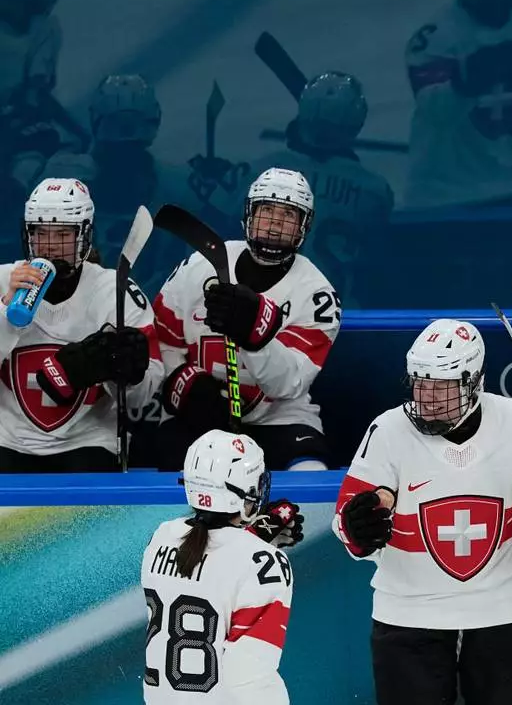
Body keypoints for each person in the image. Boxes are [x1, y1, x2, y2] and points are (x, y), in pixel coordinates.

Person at [332, 318, 512, 705]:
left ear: (474, 382)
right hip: (410, 614)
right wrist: (357, 527)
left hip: (505, 611)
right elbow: (347, 517)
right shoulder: (387, 431)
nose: (427, 396)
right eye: (420, 382)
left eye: (441, 385)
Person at [152, 167, 340, 472]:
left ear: (304, 226)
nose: (275, 226)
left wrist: (256, 337)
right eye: (266, 211)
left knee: (310, 476)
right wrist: (183, 383)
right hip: (198, 415)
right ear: (248, 215)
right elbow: (161, 341)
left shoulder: (317, 295)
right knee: (176, 475)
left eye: (289, 216)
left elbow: (288, 385)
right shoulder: (197, 266)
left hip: (280, 419)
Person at [0, 177, 161, 472]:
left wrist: (127, 370)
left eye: (63, 234)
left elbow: (142, 399)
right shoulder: (3, 280)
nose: (50, 246)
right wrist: (5, 311)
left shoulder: (116, 292)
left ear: (84, 235)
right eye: (40, 233)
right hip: (8, 442)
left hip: (88, 441)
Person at [143, 430, 304, 705]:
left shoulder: (159, 538)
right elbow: (248, 675)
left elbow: (207, 564)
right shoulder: (265, 563)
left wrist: (254, 537)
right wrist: (257, 542)